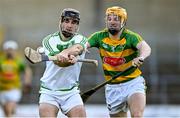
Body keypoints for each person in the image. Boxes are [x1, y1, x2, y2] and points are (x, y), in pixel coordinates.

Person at [86, 6, 151, 117]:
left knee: (137, 115)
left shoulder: (131, 37)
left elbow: (146, 48)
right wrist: (77, 50)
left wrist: (141, 57)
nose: (112, 22)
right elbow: (83, 45)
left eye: (116, 19)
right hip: (112, 87)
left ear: (123, 21)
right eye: (109, 19)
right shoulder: (98, 37)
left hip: (133, 83)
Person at [39, 8, 87, 117]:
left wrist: (65, 53)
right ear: (60, 22)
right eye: (67, 21)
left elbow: (78, 48)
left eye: (74, 22)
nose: (70, 25)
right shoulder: (49, 40)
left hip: (71, 91)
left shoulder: (82, 39)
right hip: (49, 90)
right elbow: (58, 63)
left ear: (77, 26)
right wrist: (68, 62)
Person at [0, 40, 32, 117]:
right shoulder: (1, 60)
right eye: (8, 50)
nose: (10, 52)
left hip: (14, 88)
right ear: (5, 50)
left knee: (9, 110)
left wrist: (27, 82)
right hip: (2, 89)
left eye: (12, 50)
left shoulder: (18, 61)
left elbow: (27, 71)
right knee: (6, 112)